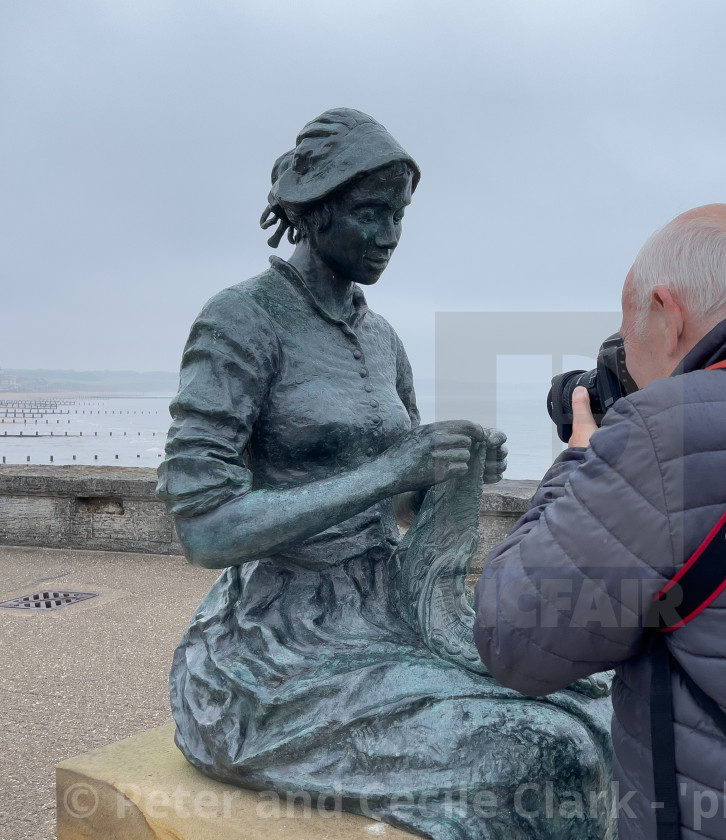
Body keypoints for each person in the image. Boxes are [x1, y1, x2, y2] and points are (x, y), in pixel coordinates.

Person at [158, 108, 613, 840]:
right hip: (281, 641)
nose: (388, 238)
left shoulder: (381, 339)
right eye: (370, 215)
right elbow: (204, 527)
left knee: (601, 704)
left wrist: (442, 476)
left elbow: (397, 504)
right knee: (542, 756)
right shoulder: (241, 320)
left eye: (397, 217)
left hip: (391, 607)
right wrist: (386, 472)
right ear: (312, 213)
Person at [474, 204, 726, 839]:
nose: (631, 361)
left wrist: (579, 460)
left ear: (666, 311)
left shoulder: (663, 434)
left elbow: (515, 640)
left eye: (629, 337)